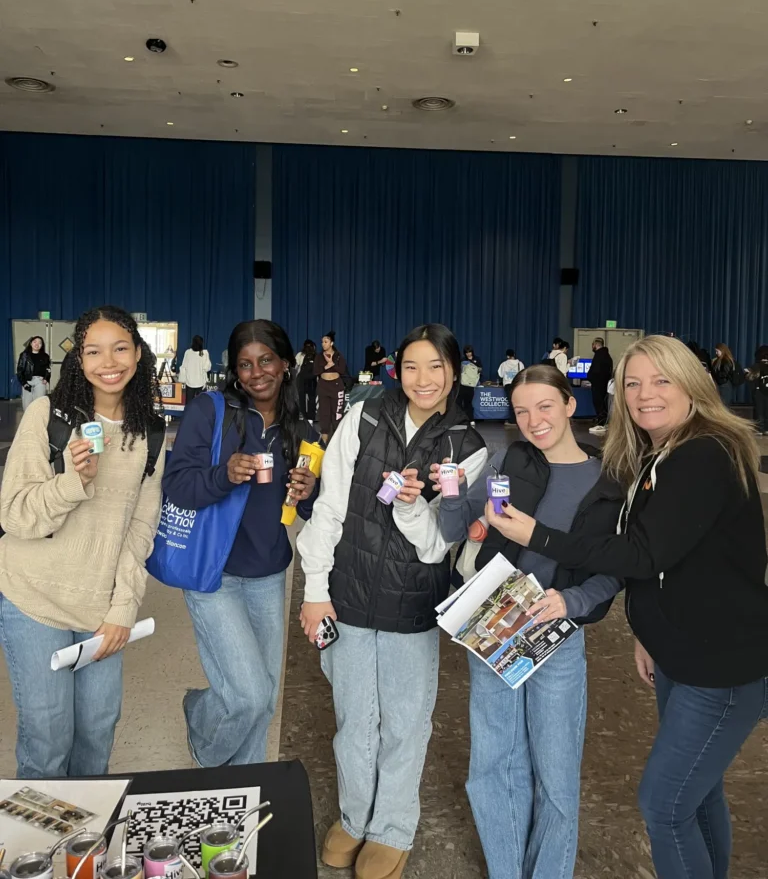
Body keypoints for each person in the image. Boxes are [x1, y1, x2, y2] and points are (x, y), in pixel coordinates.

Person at [487, 335, 768, 879]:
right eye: (633, 383)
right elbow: (676, 557)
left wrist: (538, 535)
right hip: (680, 655)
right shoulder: (662, 453)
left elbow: (641, 552)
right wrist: (648, 628)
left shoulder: (704, 453)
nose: (645, 395)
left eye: (661, 380)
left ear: (693, 383)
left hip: (720, 667)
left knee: (664, 805)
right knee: (698, 794)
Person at [298, 324, 488, 879]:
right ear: (395, 370)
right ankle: (355, 818)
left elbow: (438, 547)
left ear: (454, 371)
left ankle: (393, 827)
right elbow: (331, 506)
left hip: (412, 607)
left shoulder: (467, 448)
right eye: (411, 367)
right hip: (349, 597)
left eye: (435, 367)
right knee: (354, 719)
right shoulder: (365, 416)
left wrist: (410, 506)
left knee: (405, 721)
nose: (422, 379)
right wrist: (315, 591)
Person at [436, 364, 623, 879]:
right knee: (494, 765)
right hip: (495, 623)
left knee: (556, 775)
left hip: (557, 636)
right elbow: (458, 526)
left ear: (570, 404)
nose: (534, 420)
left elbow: (614, 569)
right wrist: (452, 493)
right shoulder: (510, 460)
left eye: (545, 406)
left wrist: (573, 601)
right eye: (522, 411)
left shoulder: (607, 479)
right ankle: (506, 870)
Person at [0, 305, 165, 778]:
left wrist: (122, 609)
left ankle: (85, 847)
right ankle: (39, 850)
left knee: (96, 733)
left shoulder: (150, 433)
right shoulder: (47, 416)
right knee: (48, 740)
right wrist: (74, 481)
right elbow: (14, 515)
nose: (107, 362)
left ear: (137, 354)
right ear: (78, 359)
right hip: (34, 598)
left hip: (99, 611)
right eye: (93, 351)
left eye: (119, 348)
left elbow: (140, 530)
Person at [163, 320, 319, 767]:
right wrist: (222, 475)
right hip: (214, 573)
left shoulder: (300, 427)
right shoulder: (211, 412)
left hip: (269, 574)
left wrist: (310, 492)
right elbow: (177, 486)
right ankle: (204, 730)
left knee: (264, 699)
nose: (257, 373)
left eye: (266, 360)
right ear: (234, 369)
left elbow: (308, 511)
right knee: (248, 694)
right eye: (245, 364)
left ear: (286, 364)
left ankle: (245, 790)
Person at [314, 331, 348, 442]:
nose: (323, 344)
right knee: (324, 413)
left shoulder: (338, 356)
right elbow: (315, 371)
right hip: (323, 386)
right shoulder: (319, 357)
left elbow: (342, 370)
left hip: (336, 386)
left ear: (331, 343)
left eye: (326, 341)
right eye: (322, 342)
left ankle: (337, 442)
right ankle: (324, 441)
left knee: (337, 414)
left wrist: (332, 364)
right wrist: (325, 366)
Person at [16, 336, 51, 411]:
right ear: (31, 343)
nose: (37, 344)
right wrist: (24, 383)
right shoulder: (24, 355)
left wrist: (46, 378)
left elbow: (48, 369)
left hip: (40, 381)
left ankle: (38, 421)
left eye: (40, 343)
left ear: (42, 346)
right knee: (27, 405)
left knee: (39, 404)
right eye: (35, 342)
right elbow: (19, 370)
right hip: (27, 380)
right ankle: (28, 422)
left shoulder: (45, 356)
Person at [588, 337, 614, 435]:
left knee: (599, 403)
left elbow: (595, 371)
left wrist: (590, 377)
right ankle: (605, 423)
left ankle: (601, 423)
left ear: (596, 344)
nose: (592, 347)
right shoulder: (607, 356)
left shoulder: (599, 356)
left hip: (598, 385)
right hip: (605, 384)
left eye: (593, 345)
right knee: (604, 403)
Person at [179, 335, 211, 404]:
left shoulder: (188, 352)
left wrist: (182, 379)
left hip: (189, 383)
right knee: (201, 404)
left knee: (189, 404)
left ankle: (188, 414)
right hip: (201, 383)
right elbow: (207, 368)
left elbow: (183, 367)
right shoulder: (204, 353)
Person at [459, 345, 483, 424]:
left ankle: (471, 419)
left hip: (471, 384)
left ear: (472, 352)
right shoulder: (462, 360)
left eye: (469, 352)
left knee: (468, 403)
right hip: (462, 384)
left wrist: (472, 366)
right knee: (459, 402)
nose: (468, 354)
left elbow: (480, 370)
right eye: (467, 352)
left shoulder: (477, 359)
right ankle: (461, 420)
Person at [296, 339, 318, 423]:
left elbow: (296, 368)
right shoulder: (301, 355)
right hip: (309, 380)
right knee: (309, 398)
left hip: (305, 379)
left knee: (304, 399)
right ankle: (309, 417)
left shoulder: (300, 355)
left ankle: (305, 417)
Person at [748, 344, 768, 435]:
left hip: (759, 391)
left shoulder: (756, 366)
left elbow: (750, 378)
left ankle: (760, 429)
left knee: (759, 410)